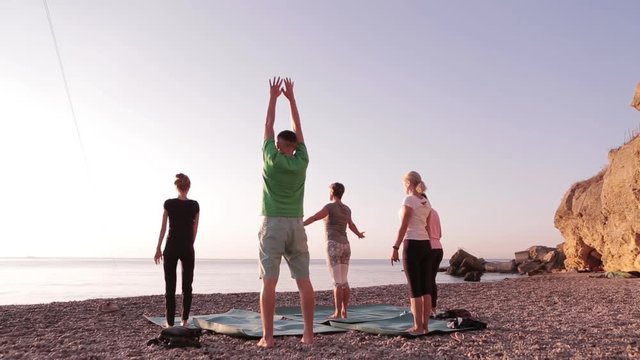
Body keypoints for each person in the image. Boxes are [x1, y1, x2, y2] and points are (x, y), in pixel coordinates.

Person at [258, 77, 314, 347]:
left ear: (279, 145)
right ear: (294, 147)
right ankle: (308, 335)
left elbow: (268, 125)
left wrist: (273, 97)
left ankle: (268, 338)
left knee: (269, 282)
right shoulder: (302, 161)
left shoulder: (271, 157)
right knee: (304, 281)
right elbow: (298, 127)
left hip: (273, 223)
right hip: (297, 225)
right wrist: (291, 98)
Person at [303, 182, 365, 319]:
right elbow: (351, 225)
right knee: (344, 281)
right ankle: (344, 311)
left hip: (333, 244)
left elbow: (315, 217)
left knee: (337, 281)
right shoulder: (347, 209)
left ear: (332, 191)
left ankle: (337, 313)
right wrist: (359, 234)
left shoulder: (330, 207)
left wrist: (301, 224)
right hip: (346, 246)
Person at [154, 173, 200, 327]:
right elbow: (195, 229)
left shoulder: (169, 204)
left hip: (171, 245)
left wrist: (158, 248)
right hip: (187, 246)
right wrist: (189, 244)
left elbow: (163, 228)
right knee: (187, 285)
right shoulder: (194, 205)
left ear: (177, 187)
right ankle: (184, 321)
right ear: (188, 187)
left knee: (170, 285)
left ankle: (169, 323)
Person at [390, 171, 433, 335]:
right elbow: (427, 227)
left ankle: (417, 327)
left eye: (404, 183)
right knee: (425, 289)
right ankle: (425, 326)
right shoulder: (426, 201)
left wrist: (395, 247)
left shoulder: (409, 200)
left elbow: (403, 226)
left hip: (412, 245)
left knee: (415, 289)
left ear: (408, 183)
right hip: (426, 245)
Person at [425, 206, 443, 316]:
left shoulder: (423, 212)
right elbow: (440, 234)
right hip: (439, 248)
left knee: (426, 280)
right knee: (432, 280)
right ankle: (433, 308)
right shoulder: (435, 212)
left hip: (428, 247)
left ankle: (427, 310)